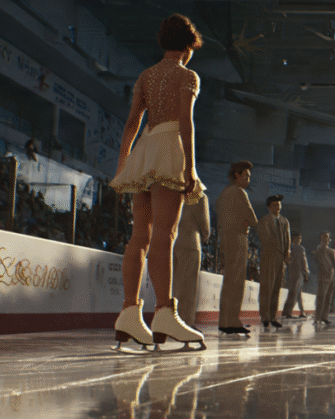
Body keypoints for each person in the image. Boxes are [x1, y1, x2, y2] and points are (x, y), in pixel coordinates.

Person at [110, 13, 205, 349]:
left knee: (141, 235)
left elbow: (132, 122)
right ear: (188, 46)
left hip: (145, 149)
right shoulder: (187, 76)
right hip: (169, 146)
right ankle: (164, 312)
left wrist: (124, 163)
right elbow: (186, 124)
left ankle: (129, 312)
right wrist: (191, 169)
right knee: (166, 233)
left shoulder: (147, 75)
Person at [216, 161, 258, 336]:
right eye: (246, 176)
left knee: (229, 280)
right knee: (237, 281)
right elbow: (252, 218)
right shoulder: (240, 193)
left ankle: (225, 320)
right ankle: (232, 320)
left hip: (225, 238)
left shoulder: (223, 194)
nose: (248, 180)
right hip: (238, 238)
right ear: (237, 175)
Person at [172, 193, 210, 327]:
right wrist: (204, 237)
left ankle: (172, 319)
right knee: (188, 287)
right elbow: (205, 225)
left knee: (175, 285)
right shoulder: (200, 196)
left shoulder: (174, 191)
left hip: (173, 242)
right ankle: (185, 322)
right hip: (191, 242)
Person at [256, 194, 290, 329]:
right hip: (269, 257)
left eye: (279, 205)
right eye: (275, 205)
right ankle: (265, 317)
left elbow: (287, 240)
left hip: (281, 258)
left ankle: (273, 316)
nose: (278, 207)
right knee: (266, 288)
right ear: (269, 207)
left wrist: (287, 253)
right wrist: (277, 251)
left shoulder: (284, 221)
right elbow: (266, 239)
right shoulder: (264, 221)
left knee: (276, 288)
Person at [282, 232, 310, 318]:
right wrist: (306, 272)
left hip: (291, 272)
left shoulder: (288, 248)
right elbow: (304, 261)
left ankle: (301, 311)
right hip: (298, 273)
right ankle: (288, 311)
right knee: (294, 292)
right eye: (298, 238)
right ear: (294, 238)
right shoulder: (301, 248)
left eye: (300, 239)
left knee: (297, 293)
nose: (299, 240)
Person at [313, 231, 335, 325]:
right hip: (323, 276)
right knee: (321, 297)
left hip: (331, 276)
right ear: (320, 239)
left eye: (327, 237)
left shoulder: (332, 251)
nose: (325, 239)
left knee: (328, 298)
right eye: (323, 237)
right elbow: (317, 261)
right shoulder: (319, 249)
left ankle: (324, 316)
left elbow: (334, 264)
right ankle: (317, 317)